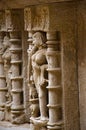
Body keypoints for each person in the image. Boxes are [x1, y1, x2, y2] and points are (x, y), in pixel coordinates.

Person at [30, 32, 48, 121]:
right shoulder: (36, 51)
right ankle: (42, 115)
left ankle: (44, 116)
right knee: (38, 95)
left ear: (39, 39)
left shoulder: (46, 52)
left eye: (34, 39)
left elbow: (52, 65)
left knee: (42, 95)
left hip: (42, 76)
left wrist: (41, 70)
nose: (33, 42)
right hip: (35, 75)